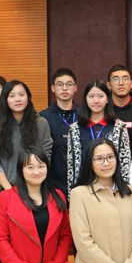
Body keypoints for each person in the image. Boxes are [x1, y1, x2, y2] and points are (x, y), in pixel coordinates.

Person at [0, 80, 53, 192]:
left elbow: (45, 156)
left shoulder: (41, 123)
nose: (17, 99)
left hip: (35, 188)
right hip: (7, 188)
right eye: (12, 96)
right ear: (5, 100)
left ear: (28, 97)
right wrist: (8, 189)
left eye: (21, 95)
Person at [66, 79, 132, 188]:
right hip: (84, 188)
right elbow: (72, 168)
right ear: (85, 99)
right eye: (91, 96)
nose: (96, 101)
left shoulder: (119, 127)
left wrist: (124, 190)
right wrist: (72, 193)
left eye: (101, 96)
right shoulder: (75, 129)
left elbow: (125, 164)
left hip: (112, 188)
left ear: (107, 99)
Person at [39, 68, 79, 199]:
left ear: (75, 88)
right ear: (53, 88)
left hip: (81, 183)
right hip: (52, 185)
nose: (64, 88)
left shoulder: (84, 115)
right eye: (60, 84)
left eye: (69, 84)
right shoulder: (43, 117)